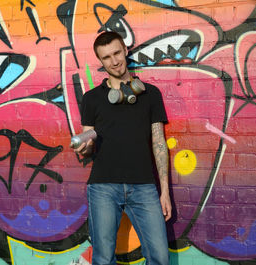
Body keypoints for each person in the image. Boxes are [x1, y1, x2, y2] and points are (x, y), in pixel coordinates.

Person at [71, 31, 171, 265]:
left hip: (144, 186)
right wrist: (84, 148)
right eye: (106, 57)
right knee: (103, 258)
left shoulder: (150, 94)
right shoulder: (92, 98)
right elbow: (87, 145)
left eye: (117, 53)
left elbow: (159, 142)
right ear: (101, 61)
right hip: (103, 187)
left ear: (126, 51)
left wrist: (164, 191)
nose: (114, 61)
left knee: (160, 257)